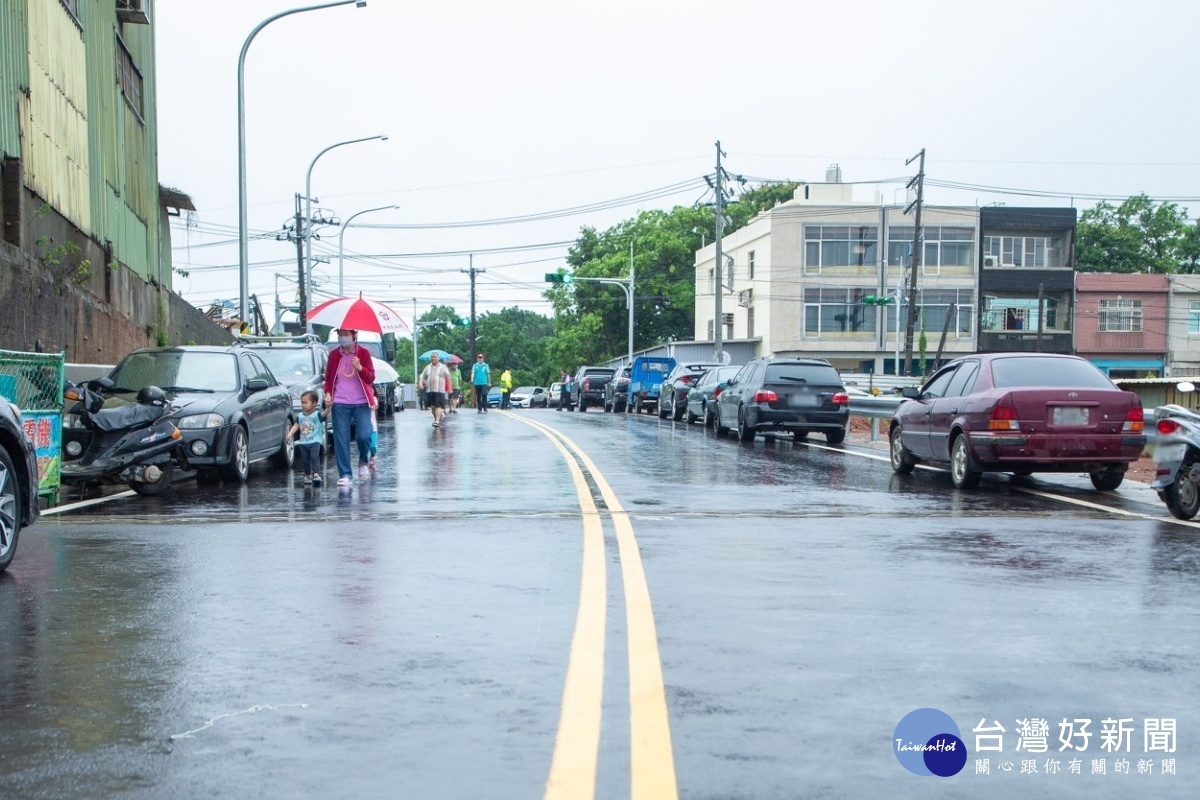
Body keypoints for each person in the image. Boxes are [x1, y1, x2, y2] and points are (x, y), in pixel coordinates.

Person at [323, 328, 376, 486]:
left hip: (361, 402)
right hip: (340, 402)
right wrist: (327, 393)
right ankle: (345, 473)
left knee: (364, 435)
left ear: (354, 336)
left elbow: (371, 377)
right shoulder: (334, 355)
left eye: (346, 335)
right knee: (341, 439)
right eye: (340, 335)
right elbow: (328, 379)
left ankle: (363, 460)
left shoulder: (364, 353)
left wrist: (360, 368)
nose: (342, 338)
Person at [289, 390, 325, 486]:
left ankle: (316, 474)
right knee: (305, 460)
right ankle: (308, 475)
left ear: (314, 403)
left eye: (305, 403)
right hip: (304, 442)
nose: (303, 405)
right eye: (302, 403)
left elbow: (324, 414)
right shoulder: (300, 416)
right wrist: (290, 433)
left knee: (314, 457)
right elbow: (296, 425)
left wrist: (329, 407)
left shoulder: (317, 415)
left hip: (315, 441)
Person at [419, 351, 452, 427]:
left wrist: (449, 388)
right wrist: (420, 384)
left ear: (438, 358)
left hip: (439, 390)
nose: (433, 358)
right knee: (433, 407)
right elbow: (421, 377)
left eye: (435, 357)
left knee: (438, 405)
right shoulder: (427, 367)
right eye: (432, 357)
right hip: (430, 390)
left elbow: (448, 377)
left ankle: (437, 421)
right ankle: (436, 418)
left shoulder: (443, 367)